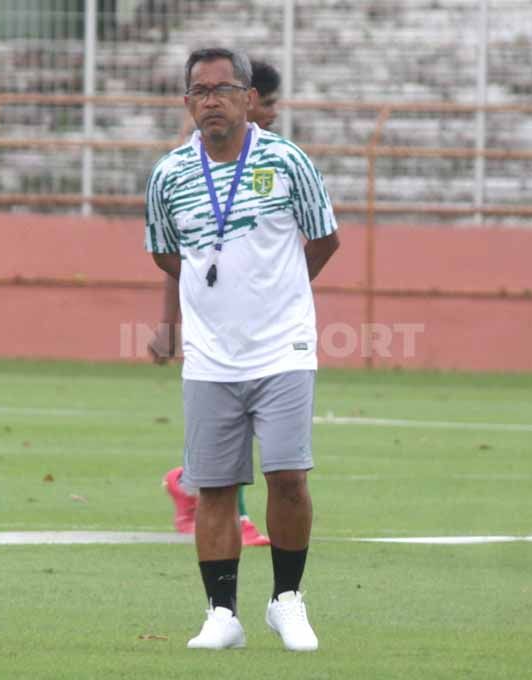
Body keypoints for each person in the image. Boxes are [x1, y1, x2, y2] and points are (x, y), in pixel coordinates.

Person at [144, 47, 340, 651]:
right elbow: (163, 251)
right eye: (199, 92)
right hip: (210, 356)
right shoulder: (169, 174)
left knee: (287, 476)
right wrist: (182, 320)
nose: (211, 101)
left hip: (283, 346)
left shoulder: (286, 161)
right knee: (215, 486)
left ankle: (287, 601)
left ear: (248, 98)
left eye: (223, 89)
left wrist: (275, 292)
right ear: (187, 103)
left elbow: (325, 239)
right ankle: (221, 615)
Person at [153, 59, 284, 549]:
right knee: (234, 421)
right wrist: (169, 324)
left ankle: (186, 480)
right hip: (214, 322)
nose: (272, 112)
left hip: (264, 323)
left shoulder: (273, 160)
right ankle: (234, 516)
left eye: (272, 102)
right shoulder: (191, 169)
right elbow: (184, 256)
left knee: (255, 418)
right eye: (266, 102)